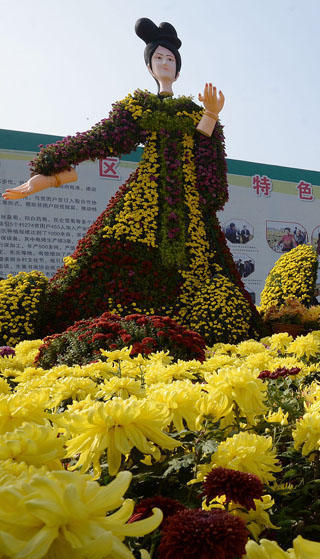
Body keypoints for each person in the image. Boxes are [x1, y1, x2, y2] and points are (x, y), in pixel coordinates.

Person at [2, 18, 256, 339]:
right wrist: (51, 165)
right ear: (150, 66)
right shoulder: (140, 106)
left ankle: (199, 328)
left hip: (189, 211)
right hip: (144, 201)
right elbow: (103, 137)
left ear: (178, 70)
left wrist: (210, 115)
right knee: (105, 264)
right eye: (159, 58)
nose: (165, 63)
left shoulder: (194, 111)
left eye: (171, 59)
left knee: (201, 272)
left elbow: (205, 152)